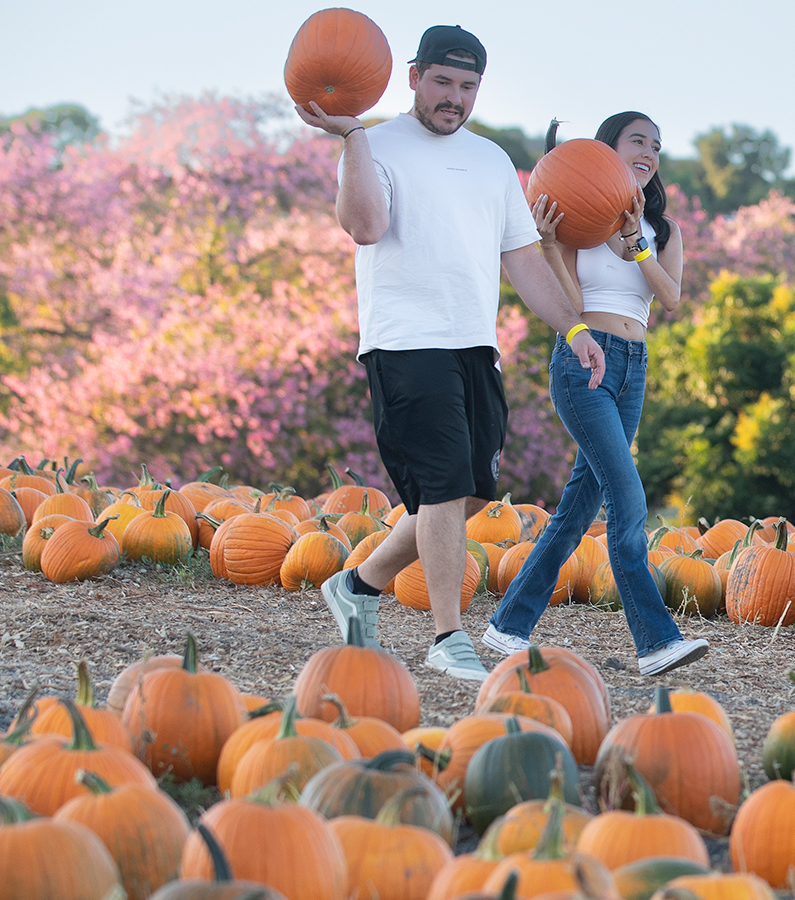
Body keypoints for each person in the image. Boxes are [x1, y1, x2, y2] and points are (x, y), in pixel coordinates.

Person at [297, 25, 604, 681]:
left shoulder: (492, 160)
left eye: (467, 87)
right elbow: (365, 227)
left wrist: (573, 328)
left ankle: (357, 587)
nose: (454, 98)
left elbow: (522, 258)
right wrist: (351, 137)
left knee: (466, 496)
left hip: (475, 346)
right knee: (440, 488)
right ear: (413, 77)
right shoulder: (373, 144)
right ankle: (446, 637)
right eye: (442, 82)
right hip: (406, 342)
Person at [480, 112, 708, 676]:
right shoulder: (582, 220)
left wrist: (638, 248)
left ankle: (506, 625)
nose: (649, 153)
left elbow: (670, 297)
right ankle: (655, 640)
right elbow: (573, 305)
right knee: (627, 499)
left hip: (634, 365)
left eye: (656, 146)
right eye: (638, 141)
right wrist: (553, 245)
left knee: (579, 507)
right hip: (585, 363)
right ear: (607, 150)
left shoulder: (664, 230)